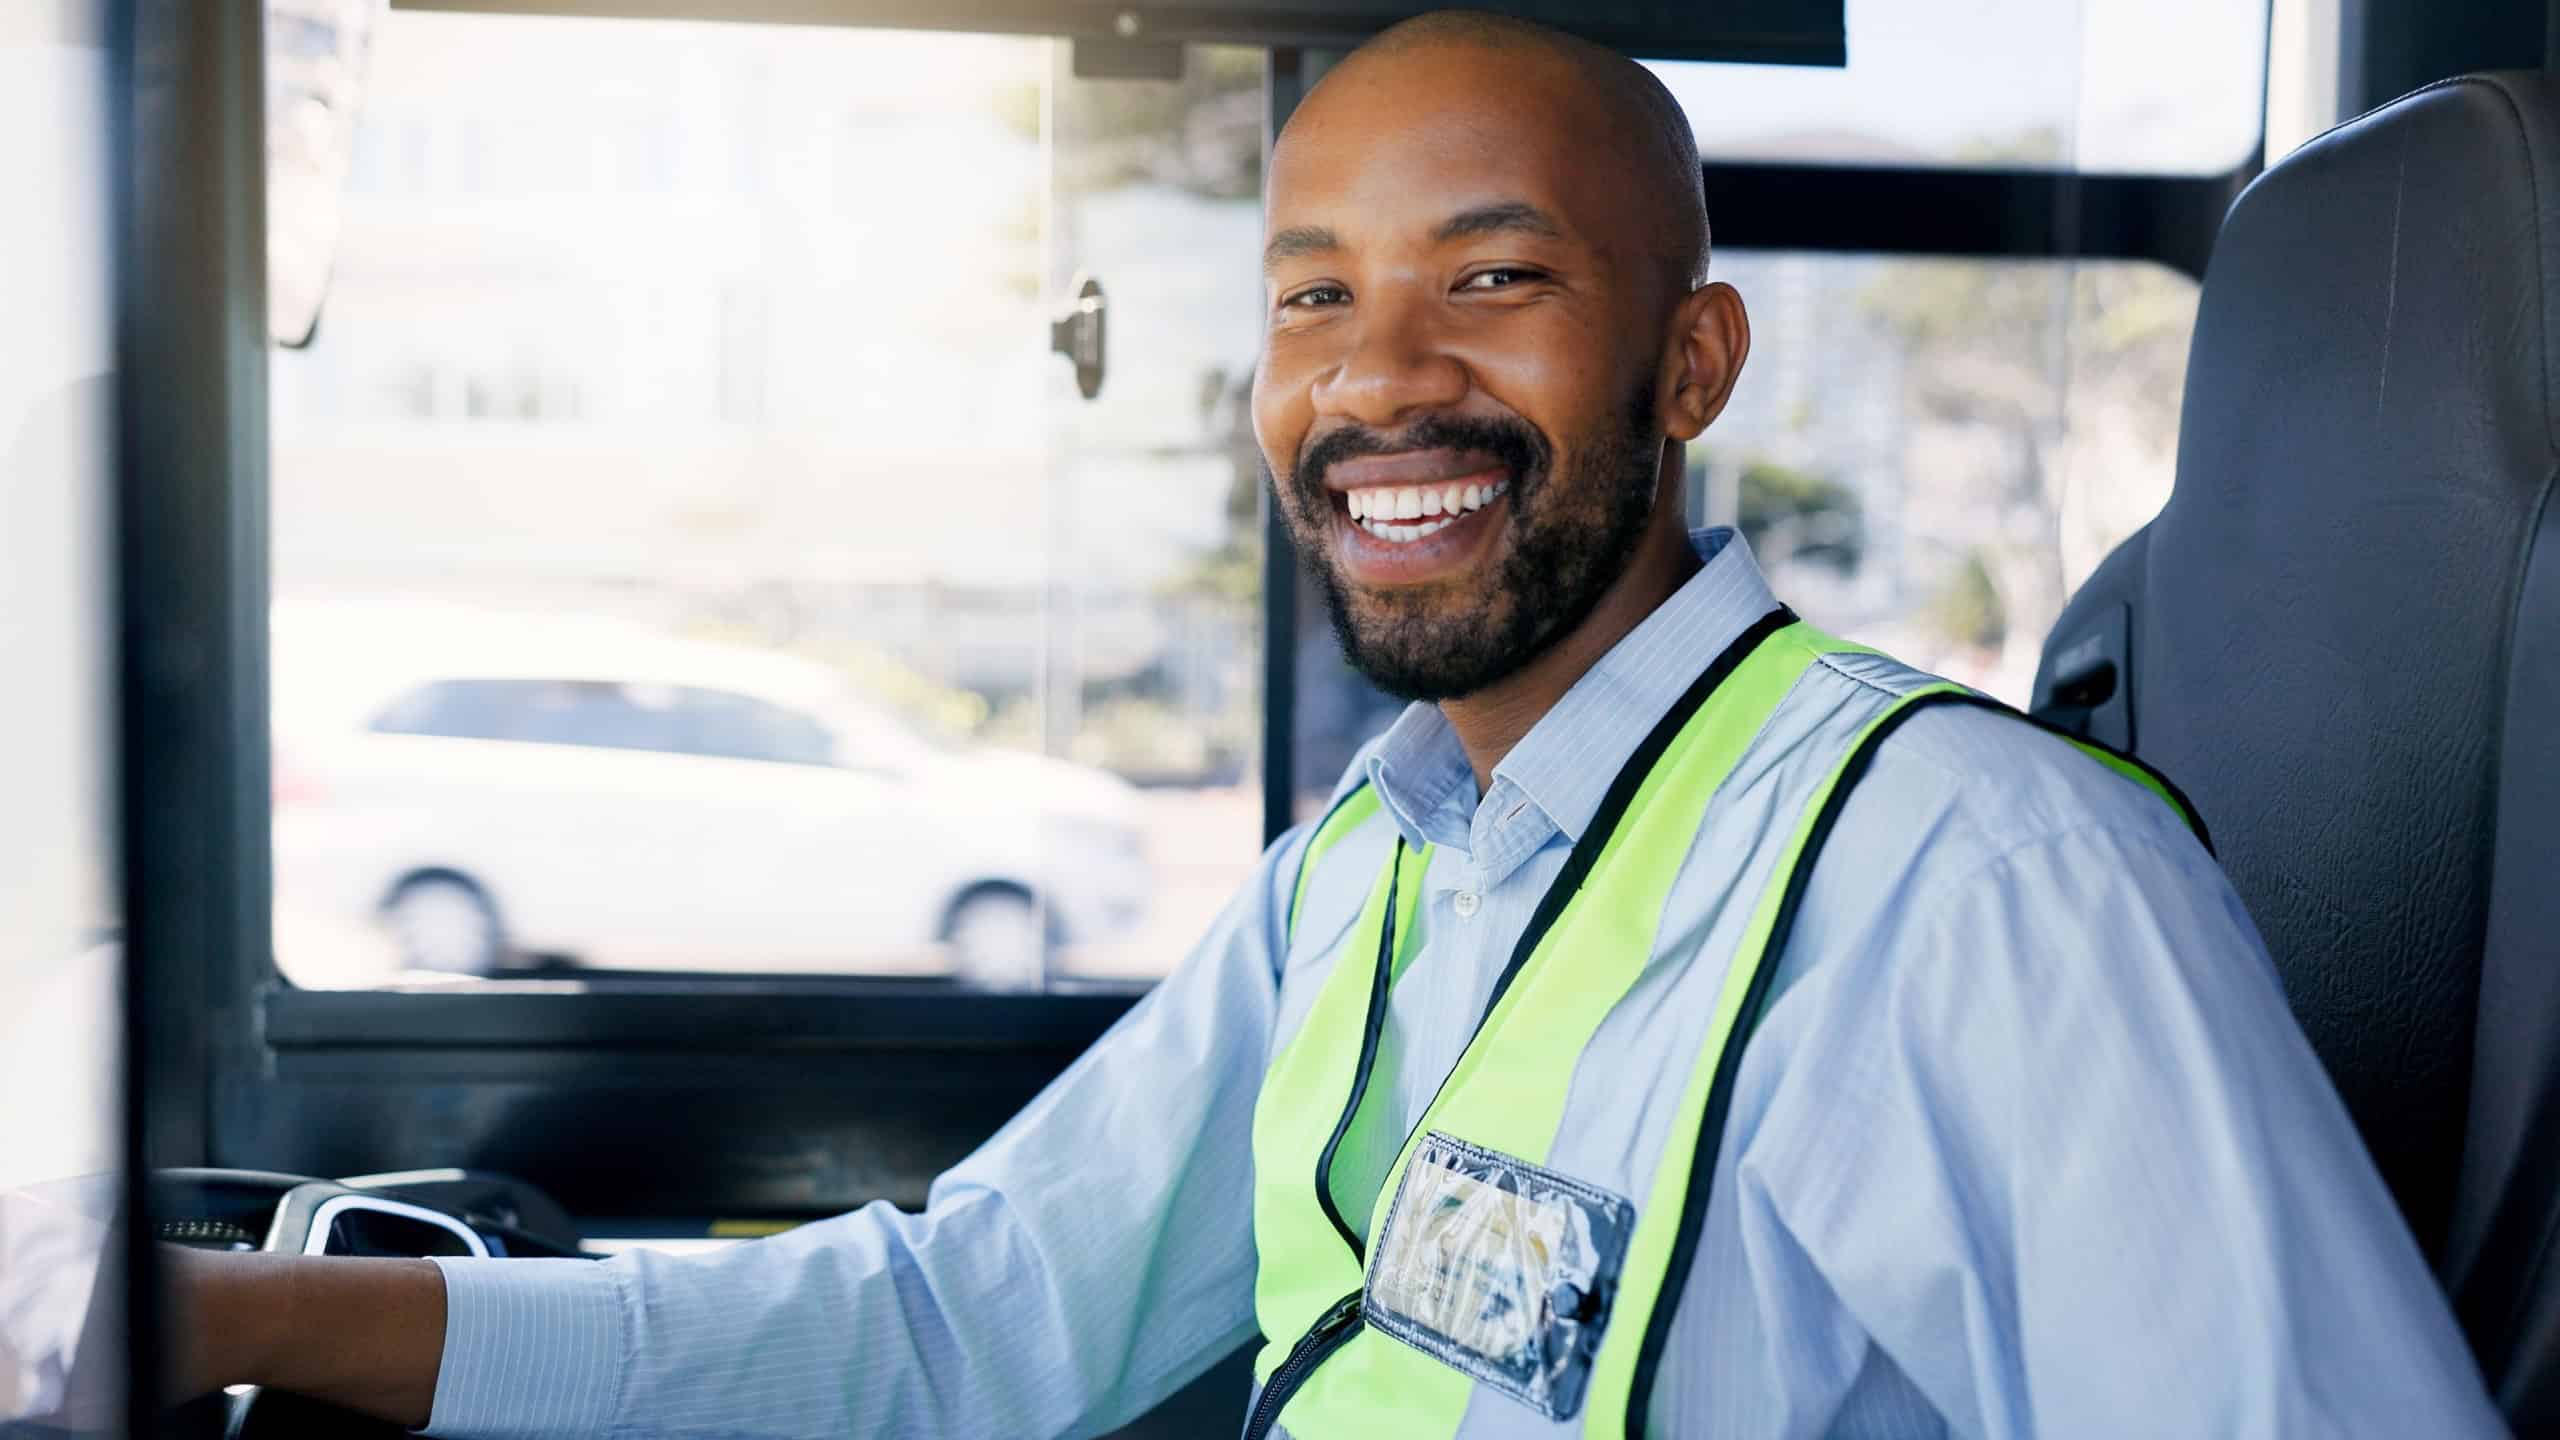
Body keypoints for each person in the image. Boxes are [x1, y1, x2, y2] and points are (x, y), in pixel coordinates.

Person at [167, 11, 2503, 1437]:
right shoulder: (1371, 877)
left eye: (1492, 278)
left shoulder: (1977, 884)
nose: (1379, 376)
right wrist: (226, 1314)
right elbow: (954, 1333)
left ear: (1690, 368)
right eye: (1312, 297)